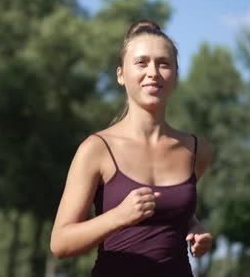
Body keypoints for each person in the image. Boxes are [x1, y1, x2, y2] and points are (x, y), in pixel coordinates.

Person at [50, 19, 213, 276]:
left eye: (163, 63)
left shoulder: (196, 151)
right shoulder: (96, 149)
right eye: (141, 62)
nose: (153, 72)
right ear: (121, 75)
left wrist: (195, 227)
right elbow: (60, 243)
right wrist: (118, 216)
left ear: (175, 75)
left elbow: (174, 210)